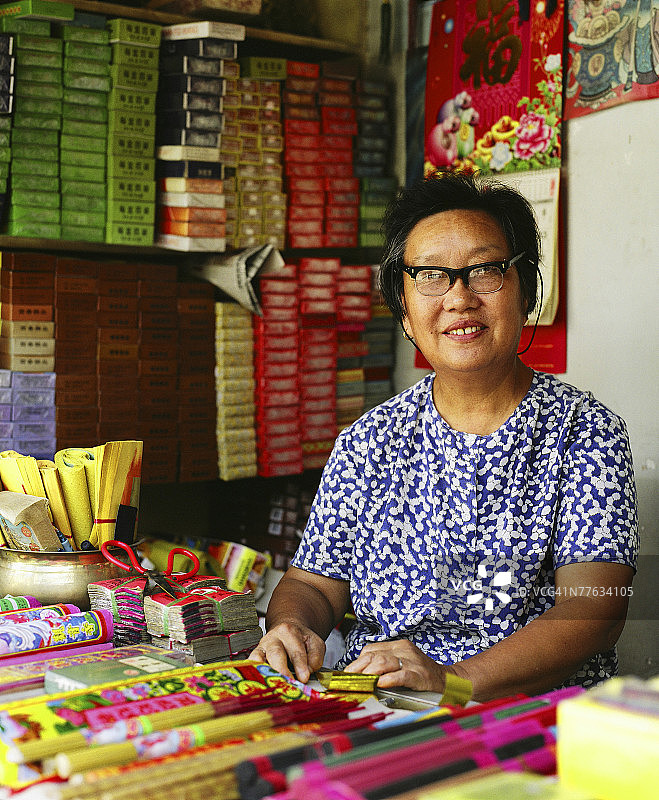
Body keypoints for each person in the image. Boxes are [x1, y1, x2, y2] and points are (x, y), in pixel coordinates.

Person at [249, 172, 638, 702]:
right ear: (404, 313)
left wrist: (454, 683)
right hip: (381, 703)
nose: (459, 297)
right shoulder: (370, 440)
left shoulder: (584, 432)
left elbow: (594, 610)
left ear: (525, 292)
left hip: (522, 719)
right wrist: (294, 627)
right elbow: (314, 584)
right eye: (431, 275)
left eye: (485, 271)